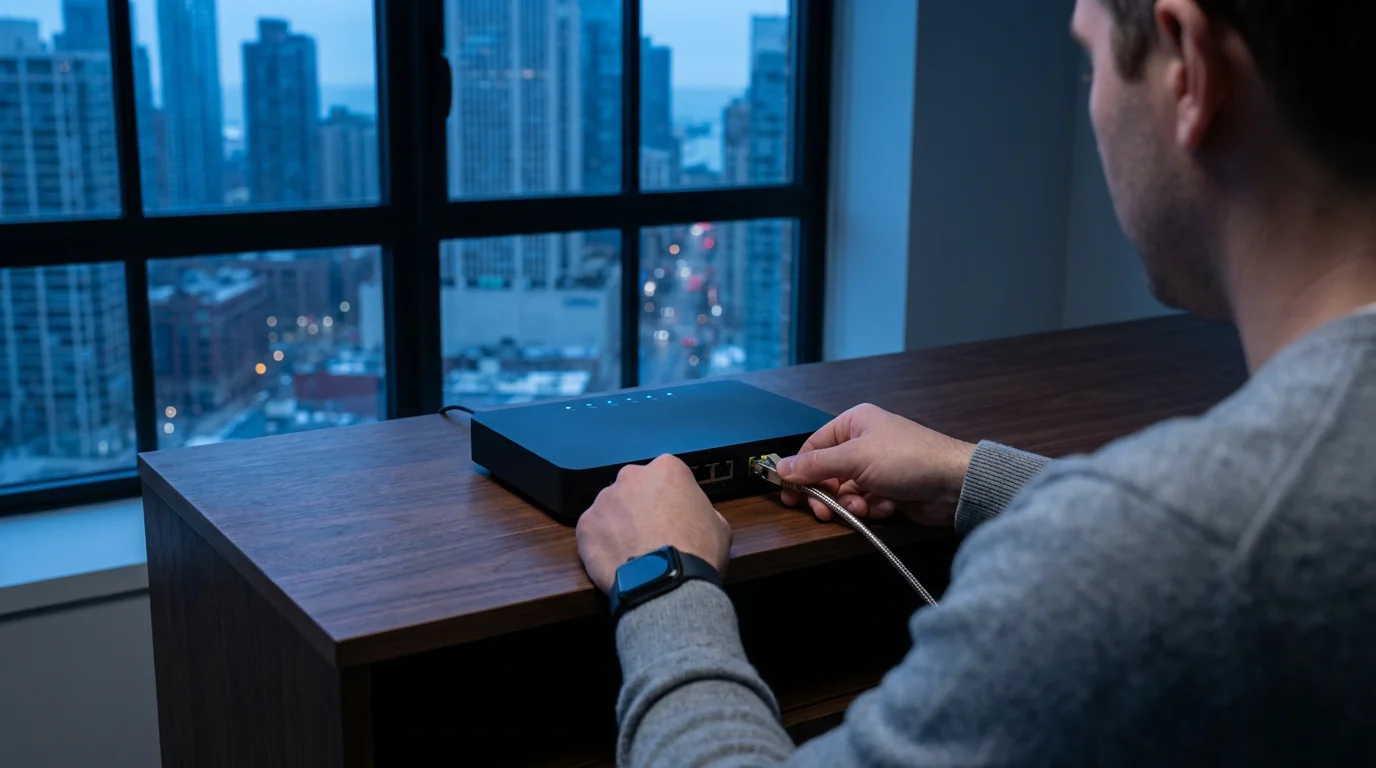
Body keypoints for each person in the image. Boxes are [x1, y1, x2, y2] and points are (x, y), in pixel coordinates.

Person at [576, 0, 1376, 763]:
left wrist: (664, 580)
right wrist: (973, 475)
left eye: (1088, 62)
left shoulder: (1154, 553)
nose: (1093, 102)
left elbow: (1177, 548)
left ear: (1189, 72)